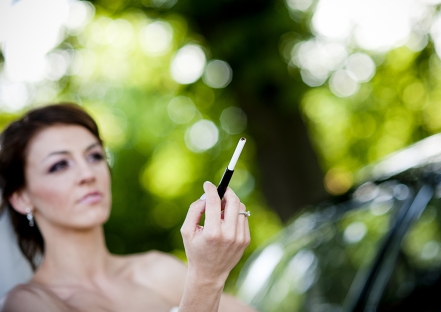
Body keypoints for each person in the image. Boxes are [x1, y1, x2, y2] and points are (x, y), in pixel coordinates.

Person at [0, 103, 254, 312]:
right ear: (22, 198)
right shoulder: (28, 303)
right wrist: (206, 280)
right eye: (59, 165)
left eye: (94, 156)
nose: (88, 174)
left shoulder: (157, 270)